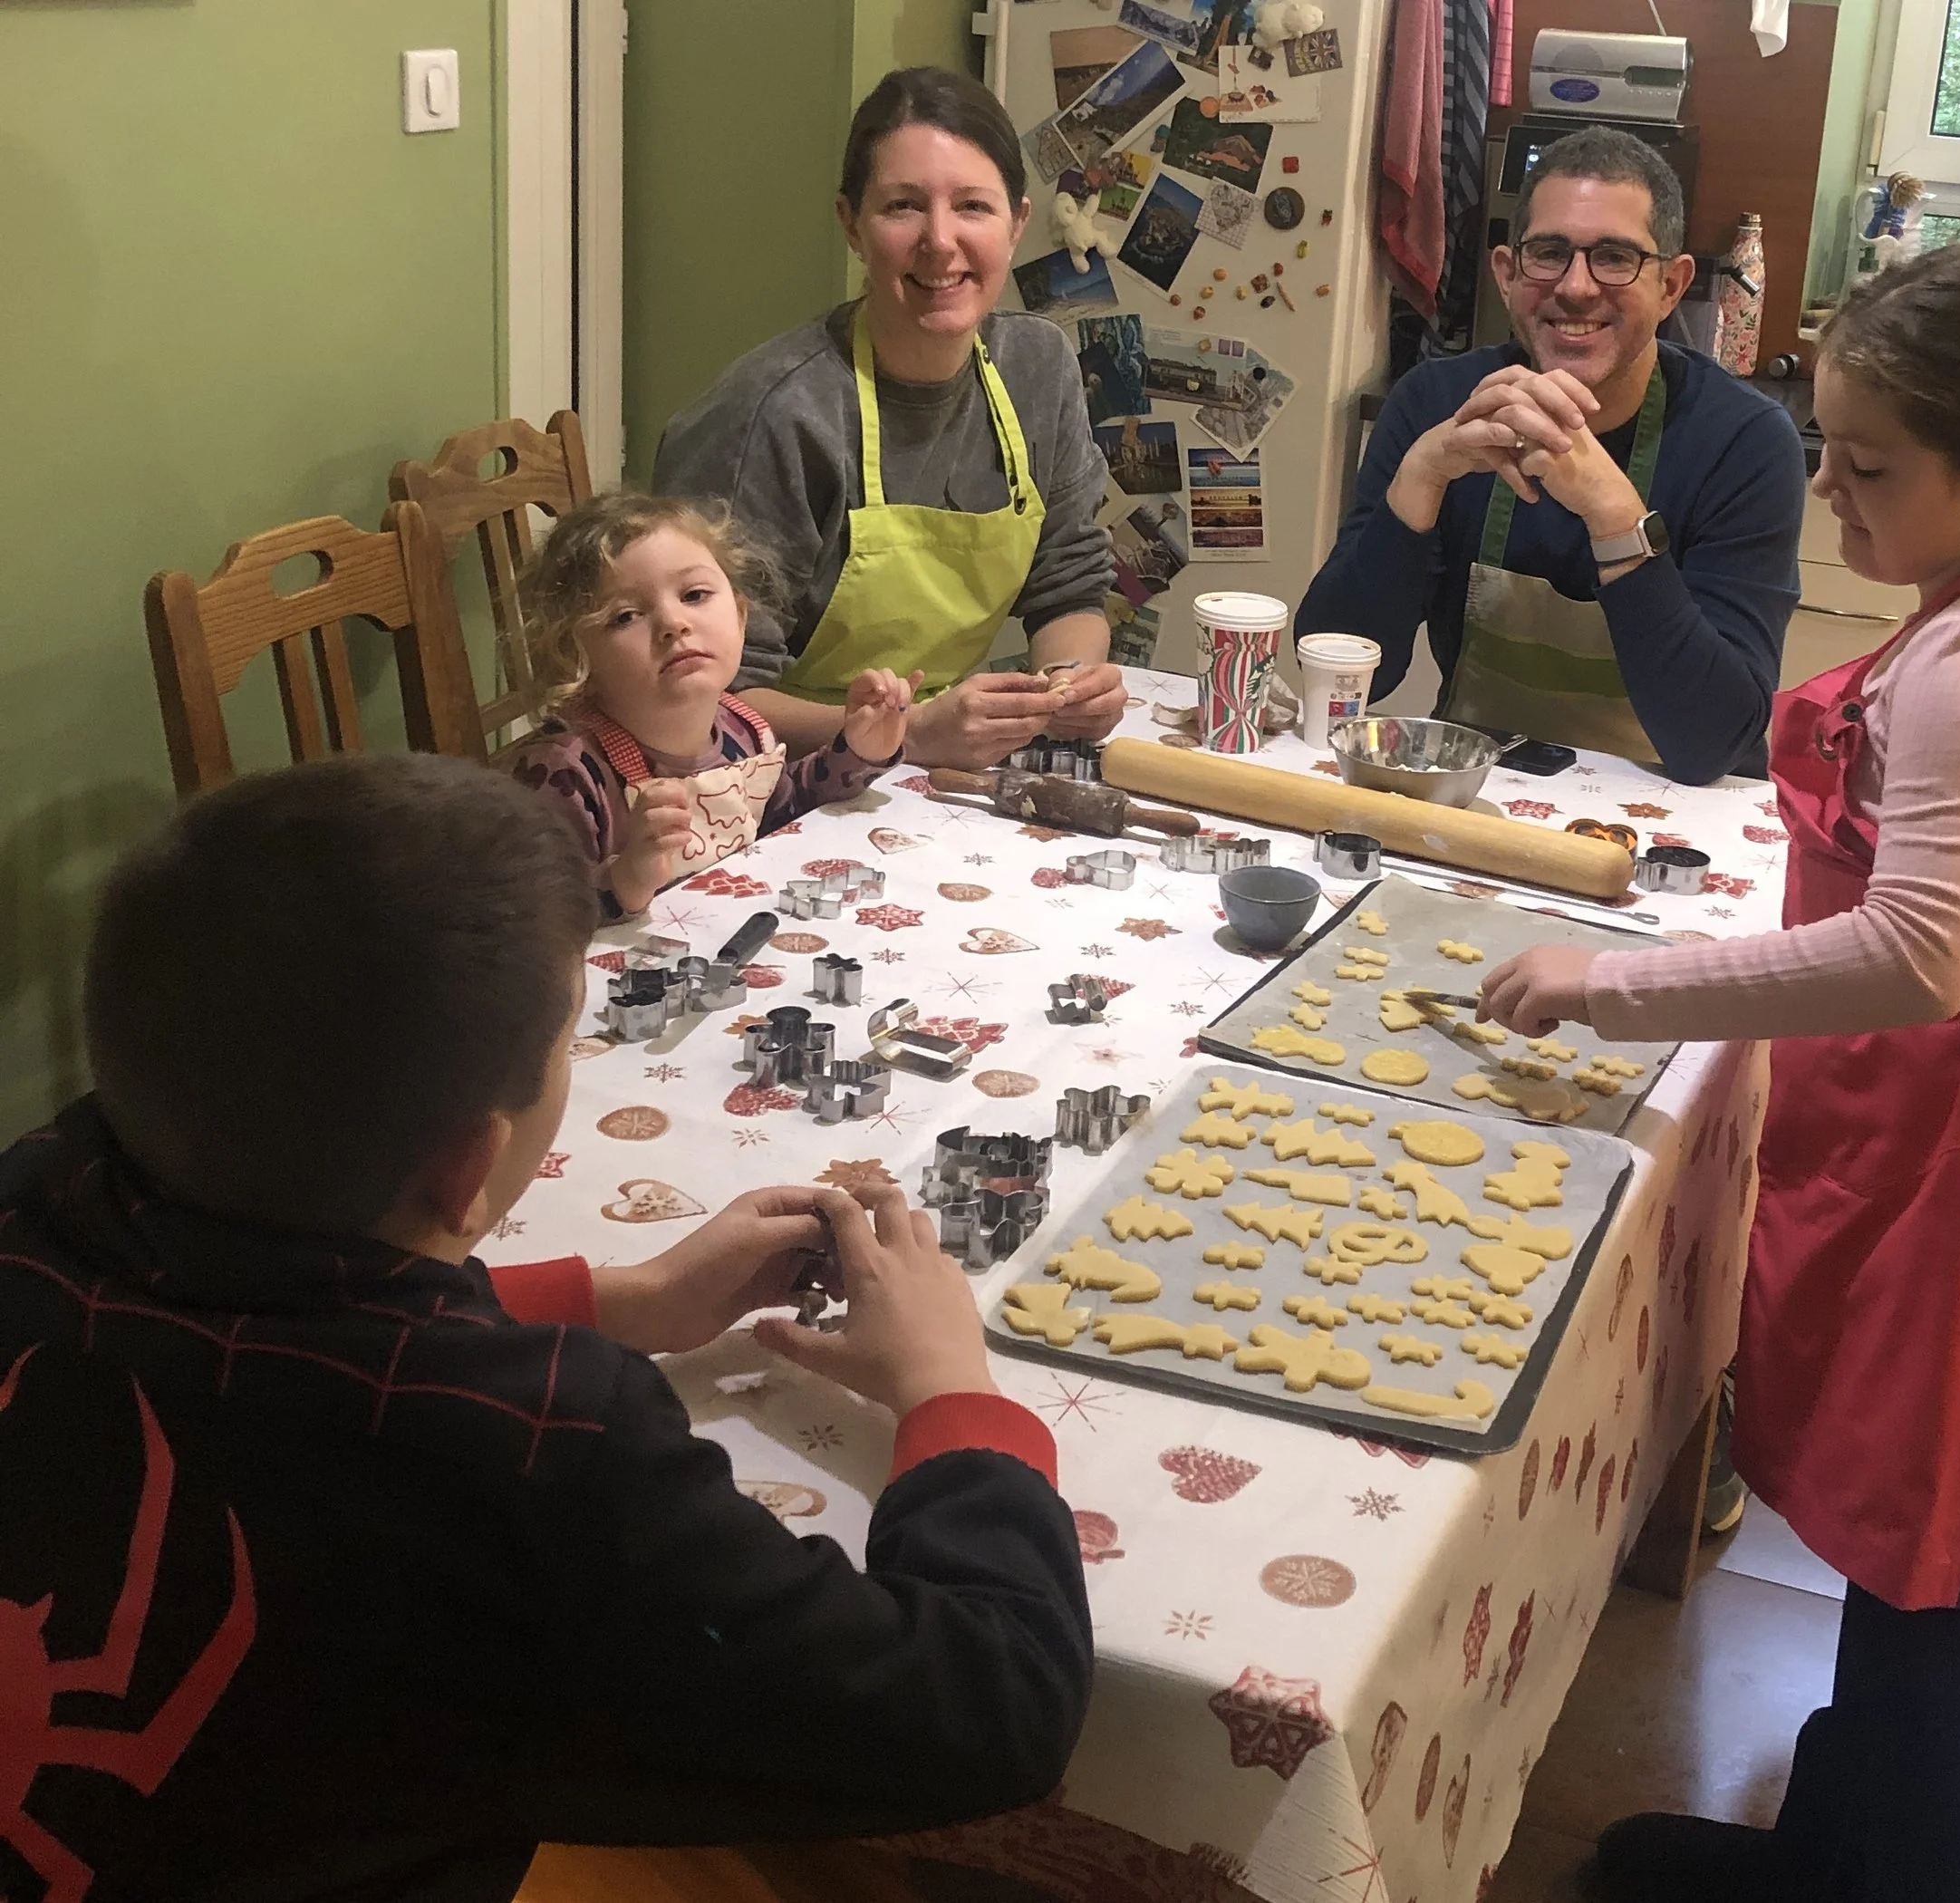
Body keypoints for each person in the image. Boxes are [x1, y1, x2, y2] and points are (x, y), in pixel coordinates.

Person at [0, 753, 1091, 1903]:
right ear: (470, 1167)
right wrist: (950, 1392)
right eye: (569, 1040)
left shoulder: (37, 1191)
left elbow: (280, 1339)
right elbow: (991, 1709)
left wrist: (621, 1300)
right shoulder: (539, 1450)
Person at [1477, 241, 1960, 1902]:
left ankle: (1891, 1870)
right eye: (1825, 449)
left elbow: (1921, 956)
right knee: (1907, 1551)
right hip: (1939, 1121)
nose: (1828, 493)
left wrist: (1617, 986)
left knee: (1937, 1576)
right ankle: (1845, 1839)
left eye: (1867, 471)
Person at [1298, 126, 1807, 783]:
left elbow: (1710, 743)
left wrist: (1617, 518)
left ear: (1673, 286)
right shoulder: (1438, 406)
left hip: (1677, 822)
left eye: (1616, 258)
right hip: (1479, 795)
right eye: (1549, 253)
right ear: (1507, 274)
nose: (1576, 288)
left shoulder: (1744, 444)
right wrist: (1418, 484)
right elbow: (1345, 676)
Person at [655, 67, 1127, 772]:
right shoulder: (776, 417)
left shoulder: (1039, 367)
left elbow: (1068, 583)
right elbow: (702, 699)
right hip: (755, 785)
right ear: (850, 222)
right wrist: (904, 735)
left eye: (973, 205)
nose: (941, 241)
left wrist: (1065, 689)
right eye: (904, 206)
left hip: (923, 778)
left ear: (1018, 222)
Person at [506, 490, 912, 917]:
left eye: (694, 595)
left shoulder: (743, 729)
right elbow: (530, 920)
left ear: (739, 617)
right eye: (625, 616)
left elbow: (784, 813)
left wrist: (859, 752)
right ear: (576, 660)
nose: (673, 623)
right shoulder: (564, 775)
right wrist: (625, 879)